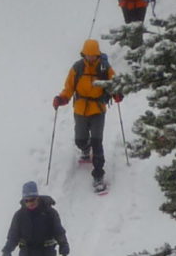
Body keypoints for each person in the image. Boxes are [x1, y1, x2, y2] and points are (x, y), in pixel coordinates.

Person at [52, 39, 123, 194]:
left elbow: (114, 84)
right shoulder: (77, 68)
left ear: (97, 54)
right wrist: (61, 99)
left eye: (93, 55)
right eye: (88, 55)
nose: (90, 58)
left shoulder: (104, 68)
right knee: (80, 140)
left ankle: (98, 175)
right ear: (84, 54)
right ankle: (85, 148)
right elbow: (69, 88)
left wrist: (117, 93)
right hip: (80, 109)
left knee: (98, 142)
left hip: (98, 109)